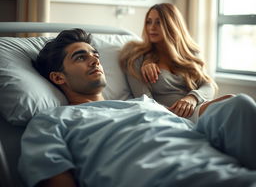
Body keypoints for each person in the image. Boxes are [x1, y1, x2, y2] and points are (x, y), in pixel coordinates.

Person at [18, 28, 256, 187]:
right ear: (59, 78)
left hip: (231, 174)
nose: (95, 60)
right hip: (167, 180)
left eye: (95, 54)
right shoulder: (52, 121)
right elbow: (52, 174)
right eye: (81, 57)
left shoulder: (144, 103)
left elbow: (194, 131)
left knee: (238, 103)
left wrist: (208, 105)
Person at [119, 3, 224, 123]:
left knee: (237, 102)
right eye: (149, 22)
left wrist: (192, 97)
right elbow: (145, 102)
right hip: (173, 116)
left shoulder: (191, 54)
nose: (151, 27)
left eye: (158, 22)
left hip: (198, 108)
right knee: (237, 103)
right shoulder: (137, 57)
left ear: (172, 25)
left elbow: (209, 86)